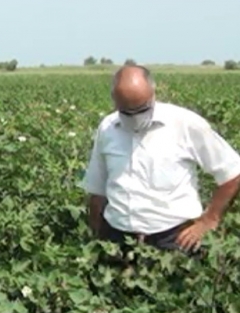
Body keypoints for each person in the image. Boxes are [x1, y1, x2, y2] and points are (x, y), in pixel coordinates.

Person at [82, 64, 240, 255]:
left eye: (141, 109)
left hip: (174, 240)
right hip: (118, 240)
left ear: (153, 94)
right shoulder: (107, 128)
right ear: (115, 102)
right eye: (126, 112)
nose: (134, 118)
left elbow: (233, 172)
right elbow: (98, 188)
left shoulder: (185, 124)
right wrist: (96, 235)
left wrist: (209, 219)